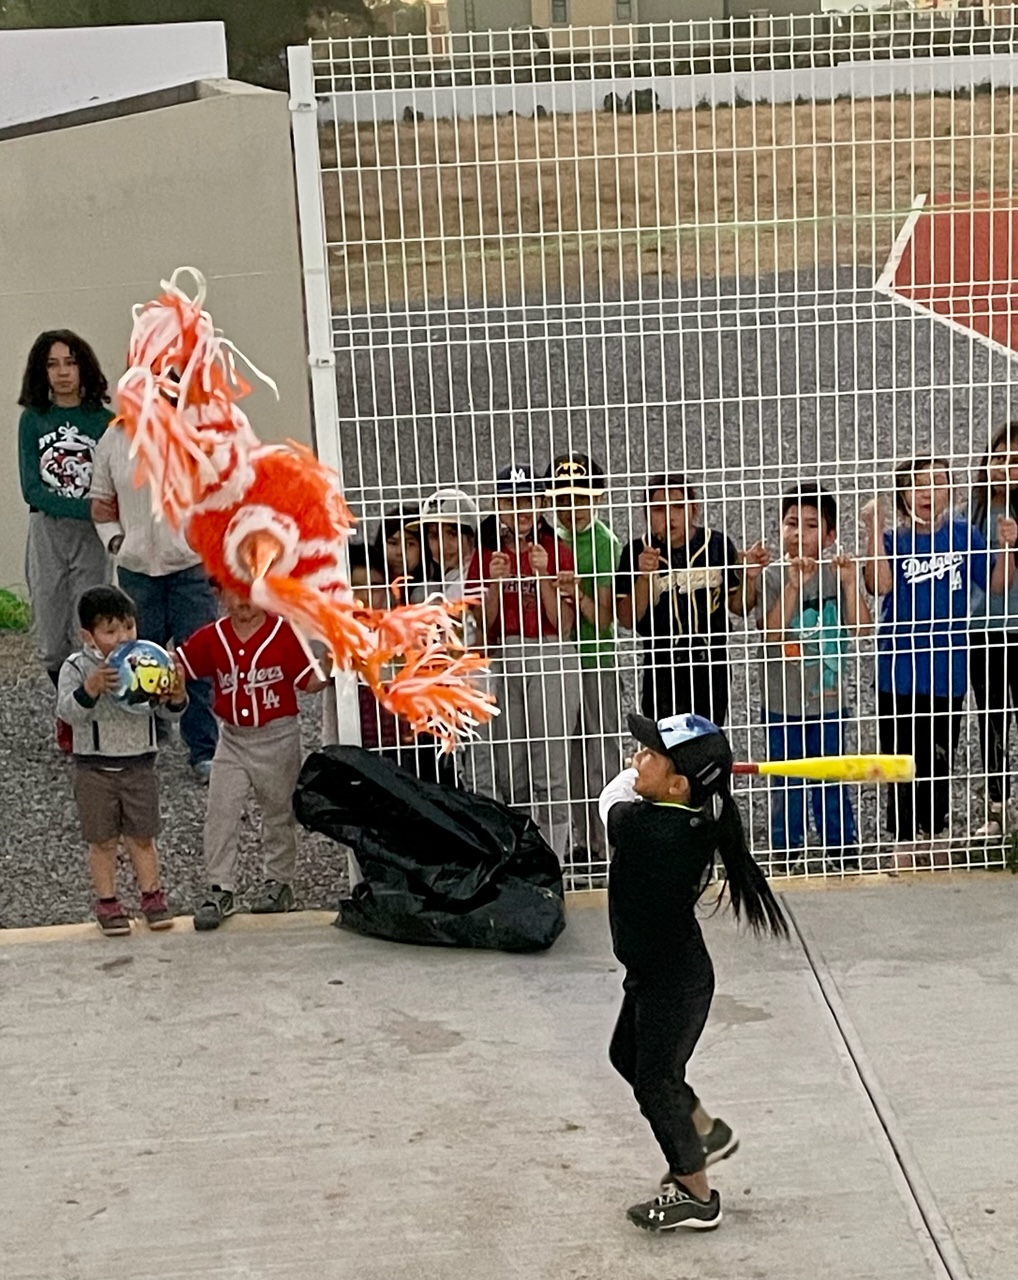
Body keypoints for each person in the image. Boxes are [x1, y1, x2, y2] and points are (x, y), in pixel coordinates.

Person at [600, 712, 787, 1233]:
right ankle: (705, 1132)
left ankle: (697, 1195)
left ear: (678, 786)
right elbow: (637, 791)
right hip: (659, 973)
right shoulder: (692, 816)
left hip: (673, 983)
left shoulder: (649, 830)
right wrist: (657, 772)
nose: (637, 758)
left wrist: (629, 776)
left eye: (650, 756)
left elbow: (609, 801)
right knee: (627, 1057)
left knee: (654, 1083)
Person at [864, 457, 1016, 870]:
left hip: (947, 668)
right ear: (902, 494)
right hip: (898, 667)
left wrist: (1008, 547)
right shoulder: (893, 539)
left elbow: (997, 585)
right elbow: (879, 585)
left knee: (939, 755)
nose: (928, 492)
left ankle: (934, 831)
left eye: (938, 482)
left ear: (951, 492)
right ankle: (902, 837)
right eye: (918, 483)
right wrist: (873, 529)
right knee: (899, 756)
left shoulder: (965, 534)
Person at [175, 582, 327, 930]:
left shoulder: (283, 632)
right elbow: (180, 666)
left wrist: (333, 664)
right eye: (233, 591)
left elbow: (308, 681)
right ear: (218, 594)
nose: (244, 599)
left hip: (278, 736)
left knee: (279, 812)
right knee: (220, 812)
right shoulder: (212, 636)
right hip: (232, 738)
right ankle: (219, 887)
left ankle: (279, 881)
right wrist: (158, 673)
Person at [90, 419, 219, 782]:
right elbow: (101, 503)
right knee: (136, 661)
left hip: (190, 568)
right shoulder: (114, 437)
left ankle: (203, 750)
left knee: (196, 660)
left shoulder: (197, 432)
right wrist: (116, 542)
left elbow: (219, 496)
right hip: (136, 572)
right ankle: (144, 740)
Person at [55, 586, 185, 936]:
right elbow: (66, 713)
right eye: (110, 631)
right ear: (88, 635)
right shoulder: (77, 666)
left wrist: (176, 695)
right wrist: (91, 688)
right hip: (94, 768)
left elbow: (168, 714)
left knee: (143, 836)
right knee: (102, 840)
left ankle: (152, 896)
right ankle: (108, 902)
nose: (123, 637)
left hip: (139, 765)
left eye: (128, 627)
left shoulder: (148, 659)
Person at [756, 486, 871, 871]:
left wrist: (851, 584)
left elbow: (861, 628)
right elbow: (771, 633)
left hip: (830, 699)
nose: (799, 534)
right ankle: (786, 851)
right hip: (781, 701)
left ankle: (841, 850)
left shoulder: (836, 574)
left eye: (811, 525)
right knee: (786, 779)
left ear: (829, 535)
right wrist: (793, 585)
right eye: (791, 524)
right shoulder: (772, 576)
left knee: (831, 777)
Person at [471, 464, 579, 859]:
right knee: (510, 768)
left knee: (550, 768)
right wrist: (494, 583)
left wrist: (545, 575)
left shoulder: (555, 549)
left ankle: (555, 859)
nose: (519, 510)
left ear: (541, 504)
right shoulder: (486, 555)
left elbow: (563, 624)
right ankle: (521, 859)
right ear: (497, 505)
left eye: (528, 501)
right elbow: (484, 627)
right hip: (504, 654)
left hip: (548, 651)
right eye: (509, 501)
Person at [17, 331, 112, 745]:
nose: (62, 373)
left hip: (92, 537)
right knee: (52, 636)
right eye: (53, 364)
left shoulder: (104, 422)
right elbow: (32, 490)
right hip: (48, 532)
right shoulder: (32, 420)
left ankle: (89, 716)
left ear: (83, 367)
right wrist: (85, 508)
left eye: (70, 363)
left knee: (88, 627)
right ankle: (68, 703)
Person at [615, 474, 768, 725]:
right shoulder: (635, 552)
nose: (669, 516)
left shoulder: (717, 544)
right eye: (658, 509)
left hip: (711, 662)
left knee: (707, 736)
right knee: (665, 739)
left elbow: (739, 607)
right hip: (662, 664)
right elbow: (627, 619)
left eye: (678, 506)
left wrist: (748, 578)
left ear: (693, 509)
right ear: (646, 514)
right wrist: (643, 577)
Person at [545, 453, 622, 866]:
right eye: (562, 499)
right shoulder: (548, 541)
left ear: (598, 498)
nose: (571, 507)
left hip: (594, 657)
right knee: (566, 752)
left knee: (601, 749)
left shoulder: (606, 543)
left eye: (580, 498)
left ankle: (608, 839)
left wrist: (576, 593)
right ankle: (581, 839)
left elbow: (605, 619)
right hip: (557, 659)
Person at [347, 540, 452, 785]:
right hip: (357, 747)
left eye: (374, 587)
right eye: (357, 587)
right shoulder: (338, 635)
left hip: (408, 747)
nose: (366, 596)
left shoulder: (404, 630)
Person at [417, 487, 496, 798]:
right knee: (470, 780)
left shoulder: (473, 579)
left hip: (480, 692)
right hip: (456, 696)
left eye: (452, 534)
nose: (442, 546)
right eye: (433, 536)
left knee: (484, 782)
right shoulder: (441, 581)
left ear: (470, 537)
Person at [967, 422, 1018, 836]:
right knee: (991, 718)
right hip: (982, 629)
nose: (1004, 467)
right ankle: (997, 809)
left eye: (1015, 461)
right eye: (998, 457)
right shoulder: (976, 511)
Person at [371, 505, 429, 600]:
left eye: (410, 544)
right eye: (393, 543)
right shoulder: (367, 586)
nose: (400, 552)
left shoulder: (433, 590)